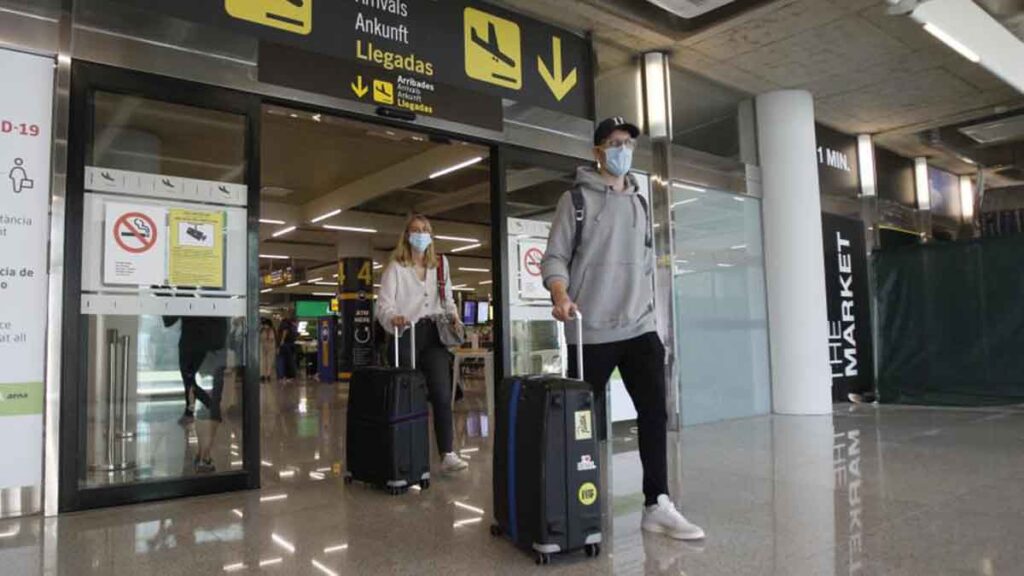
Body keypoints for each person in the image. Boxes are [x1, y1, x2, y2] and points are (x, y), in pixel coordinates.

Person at [540, 117, 706, 541]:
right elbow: (554, 258)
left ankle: (657, 503)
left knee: (654, 413)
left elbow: (646, 260)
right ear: (597, 151)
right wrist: (561, 296)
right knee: (583, 425)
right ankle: (578, 497)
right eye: (614, 143)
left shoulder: (641, 200)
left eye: (628, 143)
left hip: (638, 325)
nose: (623, 150)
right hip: (590, 328)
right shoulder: (574, 200)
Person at [376, 214, 469, 474]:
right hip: (407, 332)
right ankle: (408, 450)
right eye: (416, 230)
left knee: (441, 393)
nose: (421, 234)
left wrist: (455, 316)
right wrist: (392, 317)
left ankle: (447, 452)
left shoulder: (440, 264)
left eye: (425, 230)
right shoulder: (396, 266)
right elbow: (383, 304)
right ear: (406, 235)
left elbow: (447, 297)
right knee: (410, 394)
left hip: (434, 333)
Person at [164, 315, 228, 473]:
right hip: (215, 343)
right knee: (210, 399)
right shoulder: (218, 293)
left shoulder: (184, 291)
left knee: (199, 393)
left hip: (193, 345)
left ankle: (203, 455)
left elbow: (168, 319)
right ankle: (204, 455)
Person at [278, 315, 298, 383]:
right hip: (290, 344)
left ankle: (283, 376)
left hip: (286, 344)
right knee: (289, 360)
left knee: (283, 360)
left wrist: (282, 341)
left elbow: (284, 332)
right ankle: (288, 376)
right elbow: (287, 333)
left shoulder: (285, 324)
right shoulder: (290, 325)